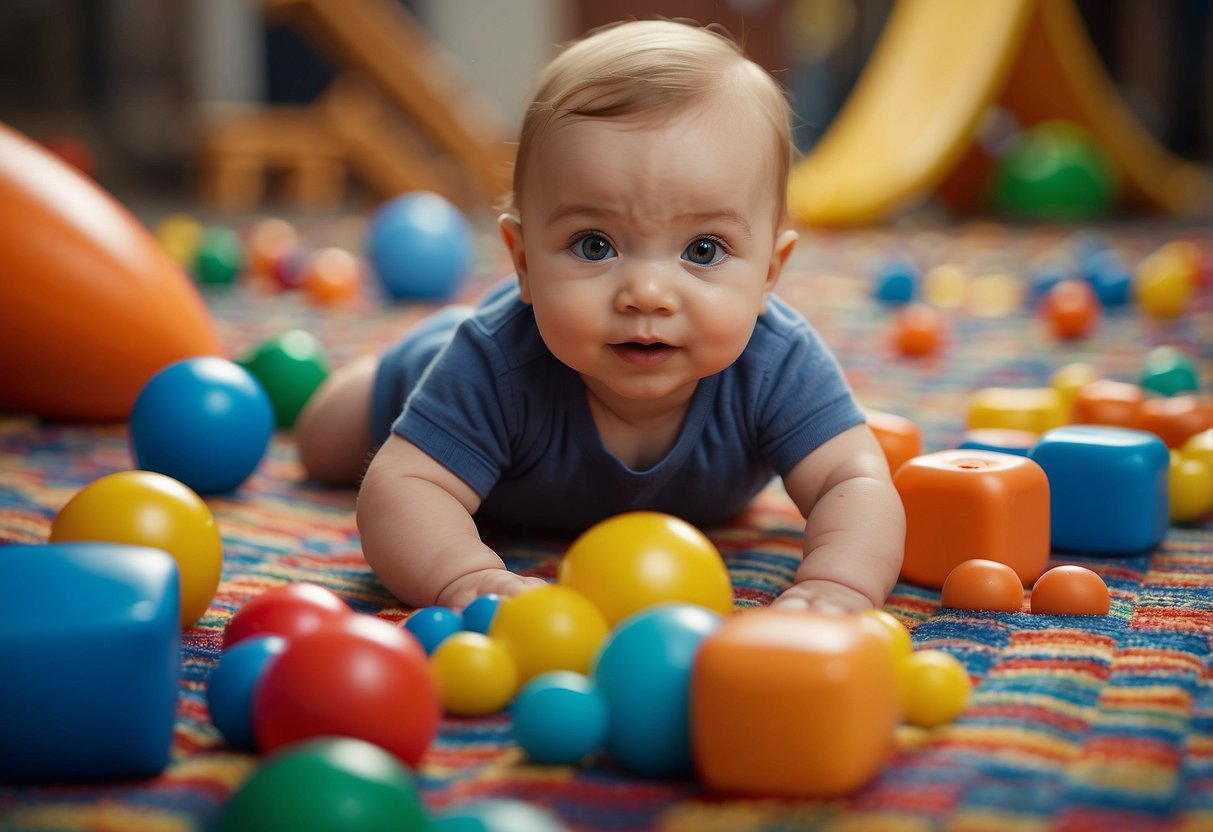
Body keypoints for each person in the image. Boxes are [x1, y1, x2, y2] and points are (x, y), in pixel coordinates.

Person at [296, 19, 905, 614]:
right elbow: (401, 489)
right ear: (524, 262)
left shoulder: (779, 363)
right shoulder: (492, 362)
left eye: (703, 251)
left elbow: (854, 480)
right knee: (323, 443)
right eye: (595, 245)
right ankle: (374, 369)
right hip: (428, 370)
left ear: (771, 272)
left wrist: (840, 585)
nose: (646, 293)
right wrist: (466, 578)